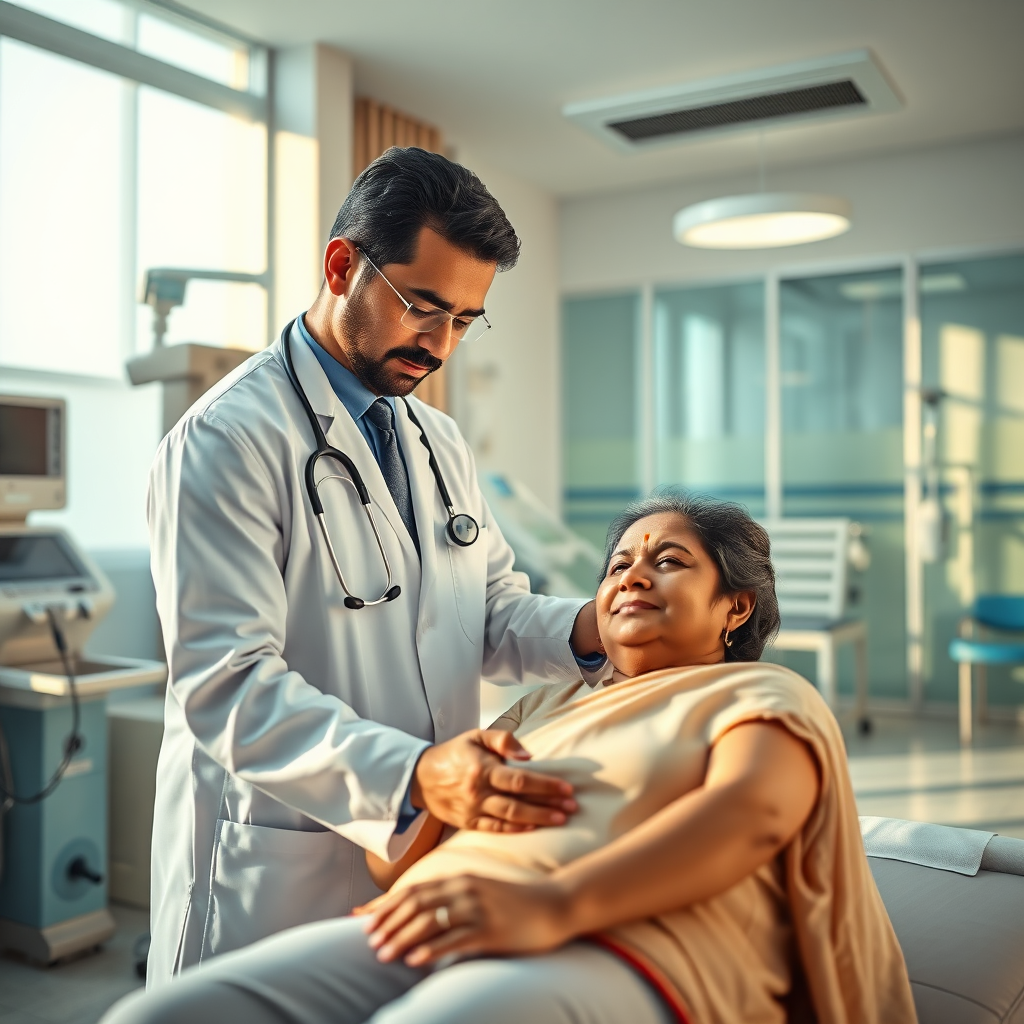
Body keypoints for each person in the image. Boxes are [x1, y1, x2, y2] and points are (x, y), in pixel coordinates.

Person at [106, 492, 916, 1024]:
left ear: (735, 607)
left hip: (625, 942)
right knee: (159, 1016)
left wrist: (554, 903)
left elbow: (752, 814)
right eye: (619, 564)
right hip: (441, 920)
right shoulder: (542, 708)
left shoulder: (762, 692)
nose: (633, 576)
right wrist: (437, 790)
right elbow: (394, 868)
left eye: (668, 561)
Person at [145, 146, 606, 985]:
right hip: (274, 861)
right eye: (422, 307)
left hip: (417, 855)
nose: (440, 345)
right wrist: (416, 774)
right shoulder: (228, 439)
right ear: (340, 267)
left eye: (464, 320)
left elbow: (488, 609)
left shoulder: (437, 439)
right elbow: (226, 684)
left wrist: (594, 626)